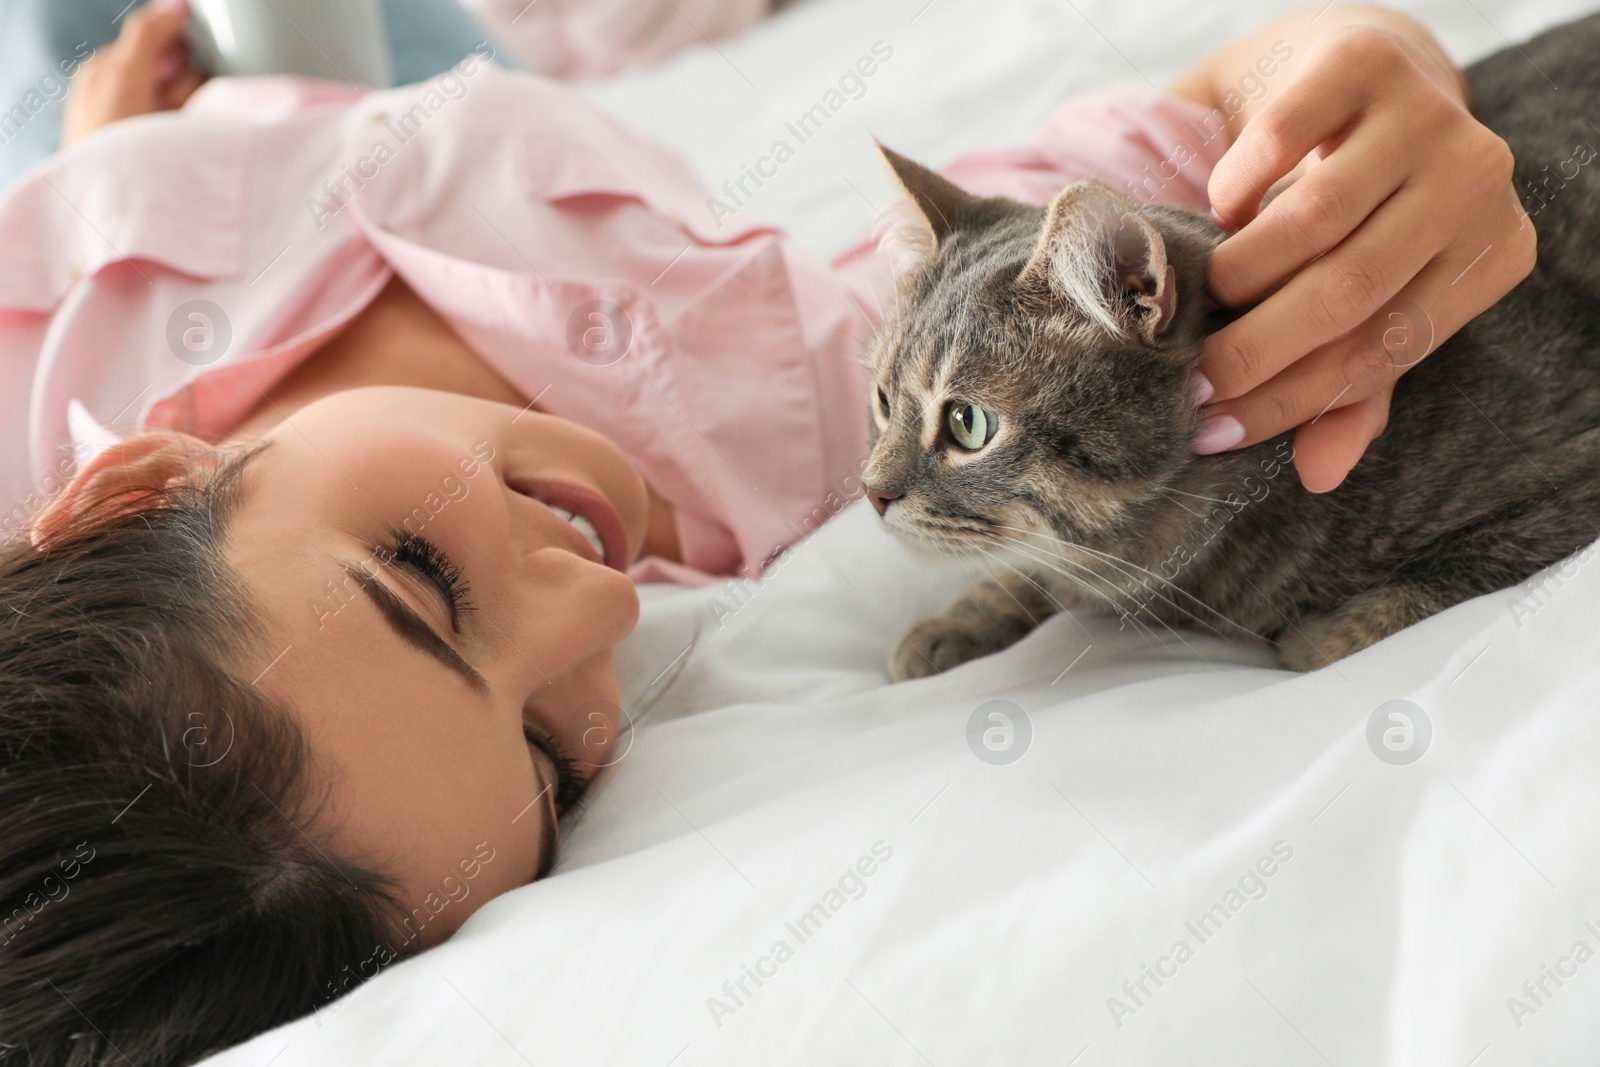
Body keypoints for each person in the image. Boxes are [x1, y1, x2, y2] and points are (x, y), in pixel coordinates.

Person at [0, 4, 1530, 1064]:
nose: (595, 610)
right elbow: (1205, 115)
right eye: (551, 753)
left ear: (140, 486)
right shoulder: (786, 416)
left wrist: (86, 169)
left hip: (112, 188)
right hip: (413, 71)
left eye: (419, 578)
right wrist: (1371, 56)